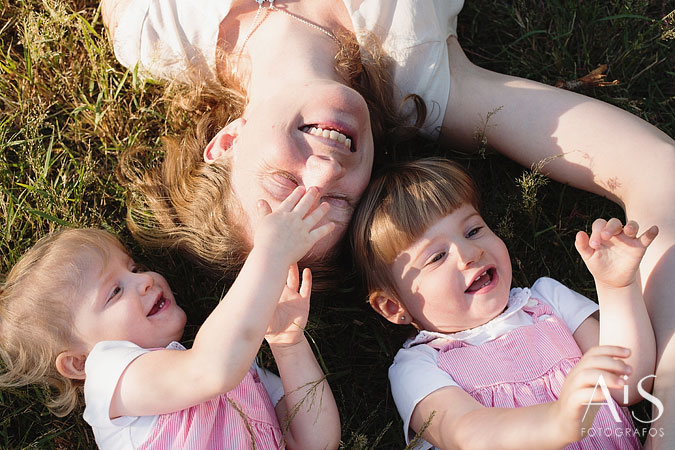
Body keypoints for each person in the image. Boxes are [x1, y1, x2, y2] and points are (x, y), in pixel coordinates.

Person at [103, 1, 674, 446]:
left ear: (228, 142)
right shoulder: (427, 80)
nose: (326, 169)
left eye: (284, 187)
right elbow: (659, 176)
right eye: (338, 204)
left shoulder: (152, 32)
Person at [0, 187, 340, 449]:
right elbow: (211, 369)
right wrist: (270, 253)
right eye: (114, 292)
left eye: (134, 268)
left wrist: (288, 345)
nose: (144, 279)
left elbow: (316, 442)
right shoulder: (109, 378)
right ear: (79, 363)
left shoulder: (242, 377)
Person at [351, 158, 657, 449]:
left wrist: (617, 287)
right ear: (393, 307)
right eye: (437, 256)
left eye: (473, 230)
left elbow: (630, 384)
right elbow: (467, 432)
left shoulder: (546, 301)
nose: (470, 252)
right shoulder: (417, 366)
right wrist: (556, 421)